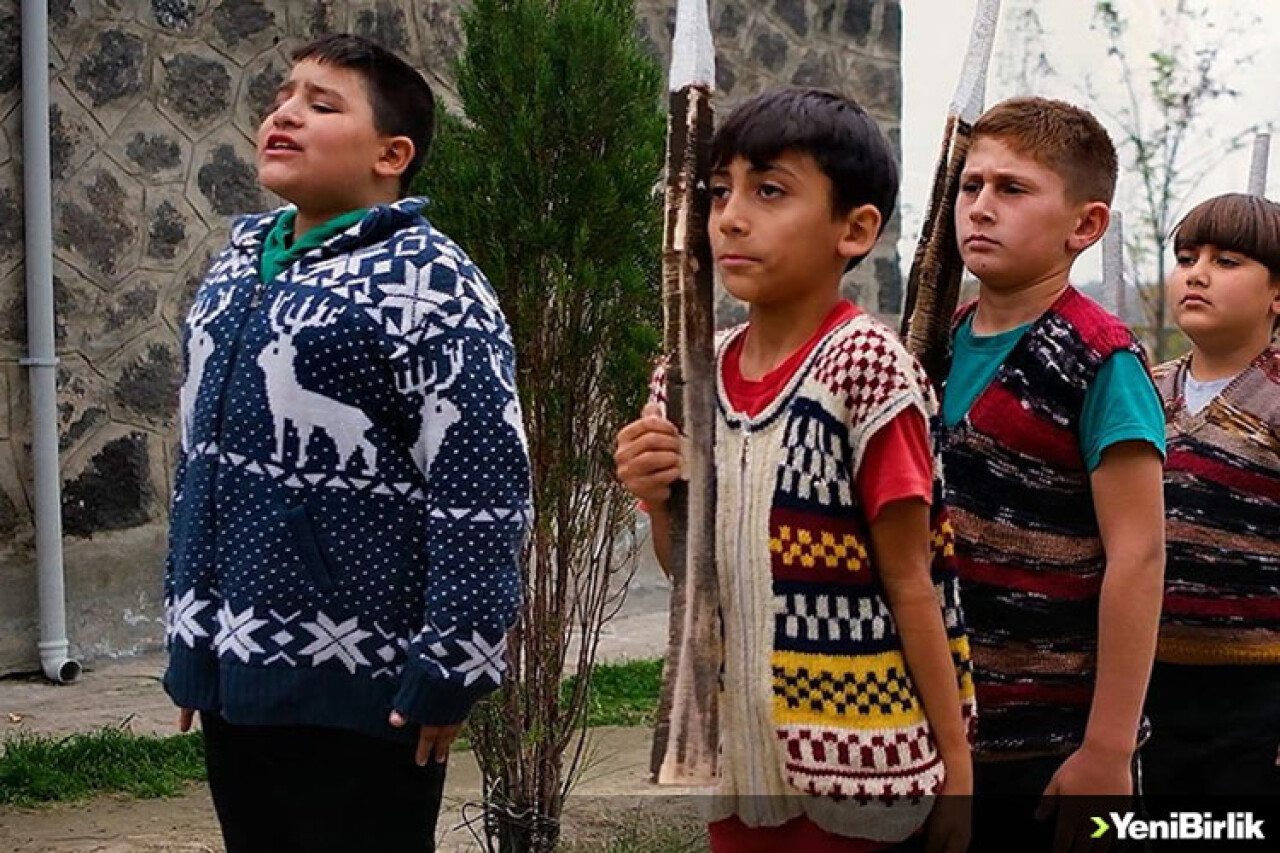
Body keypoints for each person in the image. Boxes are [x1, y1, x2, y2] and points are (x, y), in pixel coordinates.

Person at [162, 33, 531, 853]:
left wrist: (455, 662)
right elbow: (197, 469)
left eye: (322, 105)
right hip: (234, 674)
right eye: (283, 97)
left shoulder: (433, 284)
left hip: (372, 693)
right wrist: (190, 634)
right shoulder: (236, 266)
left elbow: (482, 486)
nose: (285, 113)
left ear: (391, 154)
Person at [616, 88, 975, 853]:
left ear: (856, 229)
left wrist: (959, 769)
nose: (731, 217)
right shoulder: (686, 375)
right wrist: (657, 501)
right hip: (734, 761)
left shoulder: (869, 370)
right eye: (720, 193)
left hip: (858, 768)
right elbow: (690, 575)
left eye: (769, 190)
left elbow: (913, 579)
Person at [940, 96, 1166, 849]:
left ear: (1085, 225)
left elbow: (1139, 554)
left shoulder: (1102, 357)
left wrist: (1106, 748)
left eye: (1012, 189)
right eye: (970, 186)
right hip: (933, 731)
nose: (979, 208)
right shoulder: (928, 345)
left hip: (1048, 745)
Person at [1143, 193, 1280, 797]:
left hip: (1255, 702)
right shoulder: (1143, 392)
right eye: (1186, 257)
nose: (1197, 273)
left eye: (1228, 261)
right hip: (1144, 690)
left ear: (1278, 294)